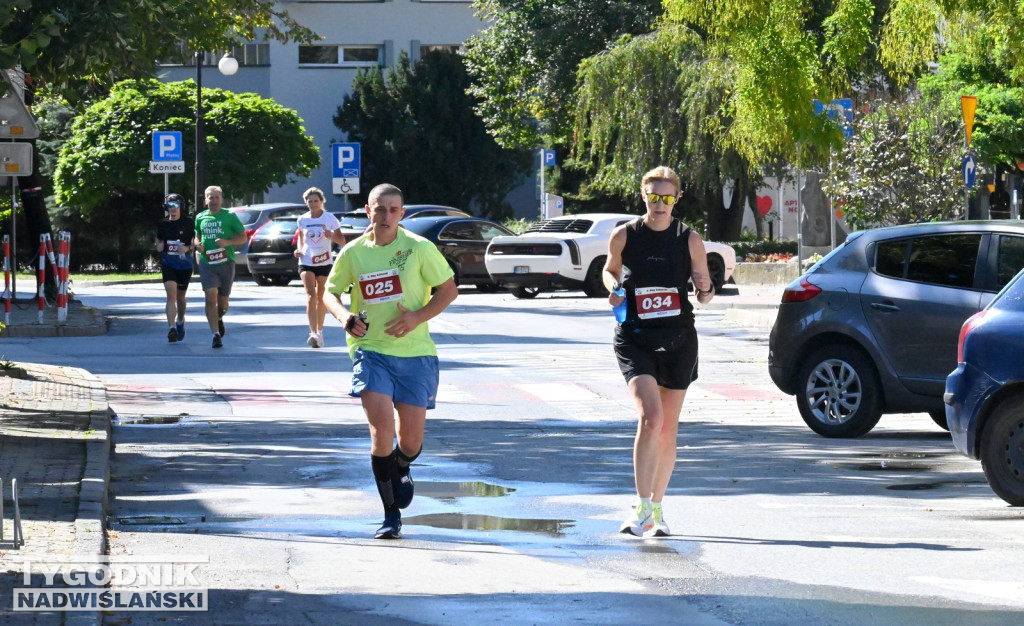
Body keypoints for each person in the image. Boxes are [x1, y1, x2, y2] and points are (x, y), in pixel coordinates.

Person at [323, 183, 458, 539]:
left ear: (402, 214)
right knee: (381, 431)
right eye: (379, 209)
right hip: (371, 351)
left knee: (409, 442)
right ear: (368, 211)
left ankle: (401, 466)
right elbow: (330, 292)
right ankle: (390, 515)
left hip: (416, 354)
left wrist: (416, 317)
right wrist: (345, 318)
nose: (385, 216)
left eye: (393, 210)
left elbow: (448, 289)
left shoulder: (418, 248)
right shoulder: (353, 253)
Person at [603, 165, 715, 538]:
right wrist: (614, 286)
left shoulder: (689, 239)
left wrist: (705, 285)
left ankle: (657, 510)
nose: (660, 204)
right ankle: (639, 507)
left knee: (667, 429)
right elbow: (609, 269)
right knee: (650, 418)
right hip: (635, 337)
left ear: (677, 199)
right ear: (643, 196)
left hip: (679, 339)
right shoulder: (624, 235)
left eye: (667, 197)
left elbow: (706, 293)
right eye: (654, 197)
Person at [193, 185, 247, 349]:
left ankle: (219, 317)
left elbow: (243, 237)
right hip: (207, 262)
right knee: (210, 296)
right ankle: (215, 335)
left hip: (226, 262)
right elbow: (196, 235)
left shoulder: (229, 216)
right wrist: (197, 245)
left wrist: (228, 243)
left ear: (221, 199)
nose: (213, 200)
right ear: (206, 199)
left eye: (216, 197)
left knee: (222, 302)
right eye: (210, 197)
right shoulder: (200, 217)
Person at [294, 187, 345, 348]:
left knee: (321, 297)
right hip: (307, 261)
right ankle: (313, 333)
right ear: (306, 202)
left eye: (316, 201)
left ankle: (320, 332)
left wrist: (331, 236)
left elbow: (341, 240)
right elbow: (301, 239)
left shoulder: (330, 218)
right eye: (310, 201)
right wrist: (299, 250)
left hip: (324, 262)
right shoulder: (302, 219)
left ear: (321, 202)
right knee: (311, 296)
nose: (313, 204)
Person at [155, 193, 194, 342]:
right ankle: (171, 328)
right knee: (171, 295)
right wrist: (159, 245)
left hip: (184, 264)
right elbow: (158, 240)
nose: (173, 209)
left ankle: (180, 321)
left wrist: (188, 248)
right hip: (168, 263)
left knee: (181, 297)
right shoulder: (162, 224)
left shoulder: (188, 222)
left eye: (176, 205)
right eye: (170, 205)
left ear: (181, 207)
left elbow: (195, 242)